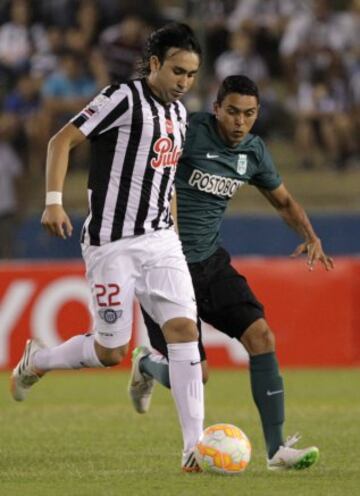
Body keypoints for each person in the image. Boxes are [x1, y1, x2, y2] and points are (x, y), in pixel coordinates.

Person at [10, 22, 204, 473]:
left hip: (160, 240)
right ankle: (38, 359)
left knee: (183, 332)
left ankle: (193, 449)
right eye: (178, 71)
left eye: (192, 75)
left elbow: (164, 176)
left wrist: (173, 229)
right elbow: (63, 140)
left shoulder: (179, 114)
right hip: (112, 243)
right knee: (110, 352)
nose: (184, 82)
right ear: (155, 64)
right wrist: (53, 202)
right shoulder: (122, 97)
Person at [128, 75, 334, 471]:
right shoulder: (187, 132)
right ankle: (145, 364)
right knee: (197, 375)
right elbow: (149, 176)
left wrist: (311, 236)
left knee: (262, 336)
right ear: (217, 108)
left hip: (210, 262)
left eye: (250, 114)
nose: (241, 122)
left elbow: (284, 200)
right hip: (164, 266)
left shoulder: (254, 152)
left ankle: (276, 451)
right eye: (234, 112)